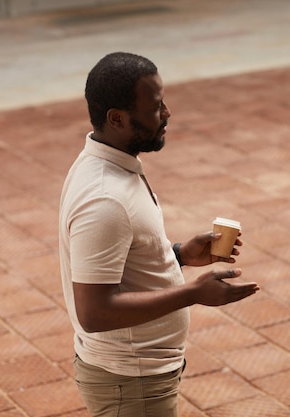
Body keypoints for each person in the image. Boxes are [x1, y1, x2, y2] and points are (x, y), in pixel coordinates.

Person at [59, 52, 260, 417]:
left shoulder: (112, 164)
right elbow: (94, 311)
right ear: (117, 118)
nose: (166, 113)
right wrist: (193, 293)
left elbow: (121, 264)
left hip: (136, 376)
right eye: (154, 107)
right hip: (130, 381)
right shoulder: (105, 198)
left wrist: (179, 254)